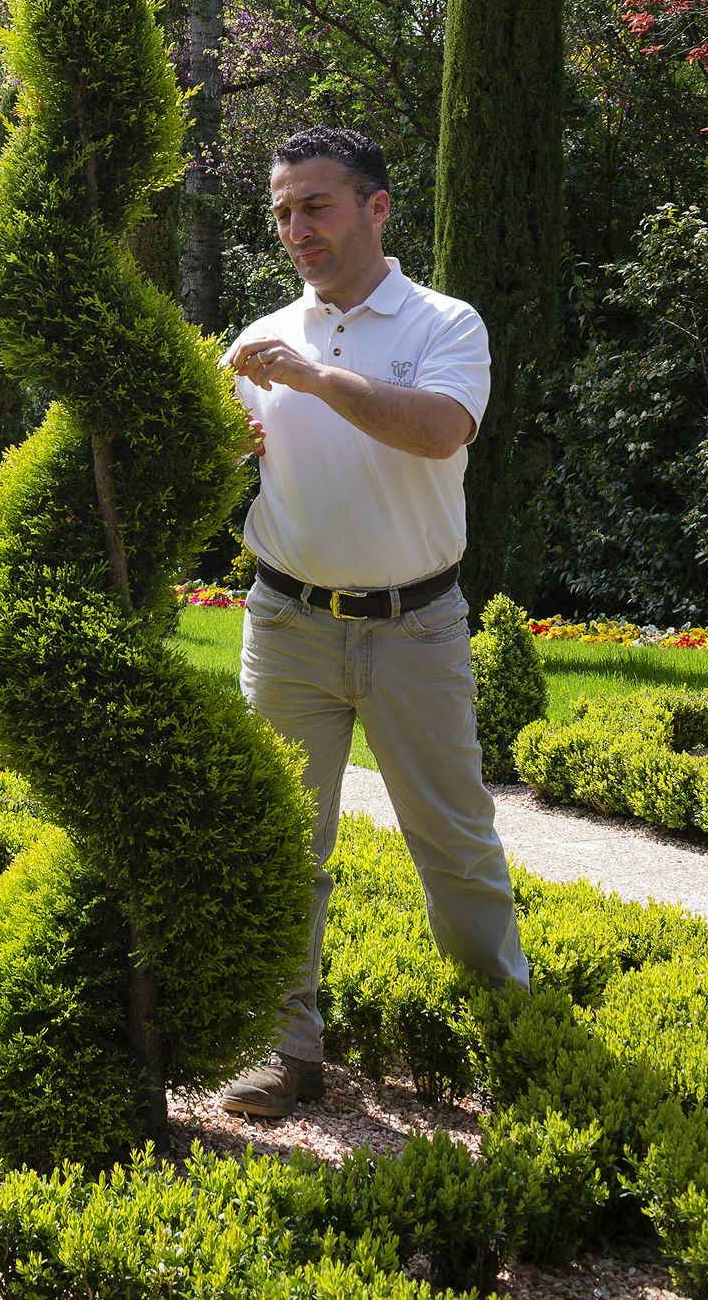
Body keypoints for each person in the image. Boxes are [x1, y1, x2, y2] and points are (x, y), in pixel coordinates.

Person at [214, 126, 530, 1120]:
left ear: (374, 206)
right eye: (280, 213)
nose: (294, 230)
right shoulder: (255, 339)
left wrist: (309, 379)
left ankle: (509, 1037)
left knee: (454, 846)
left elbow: (437, 431)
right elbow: (230, 471)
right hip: (287, 624)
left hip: (414, 627)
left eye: (314, 206)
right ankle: (282, 1047)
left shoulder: (444, 323)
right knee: (277, 846)